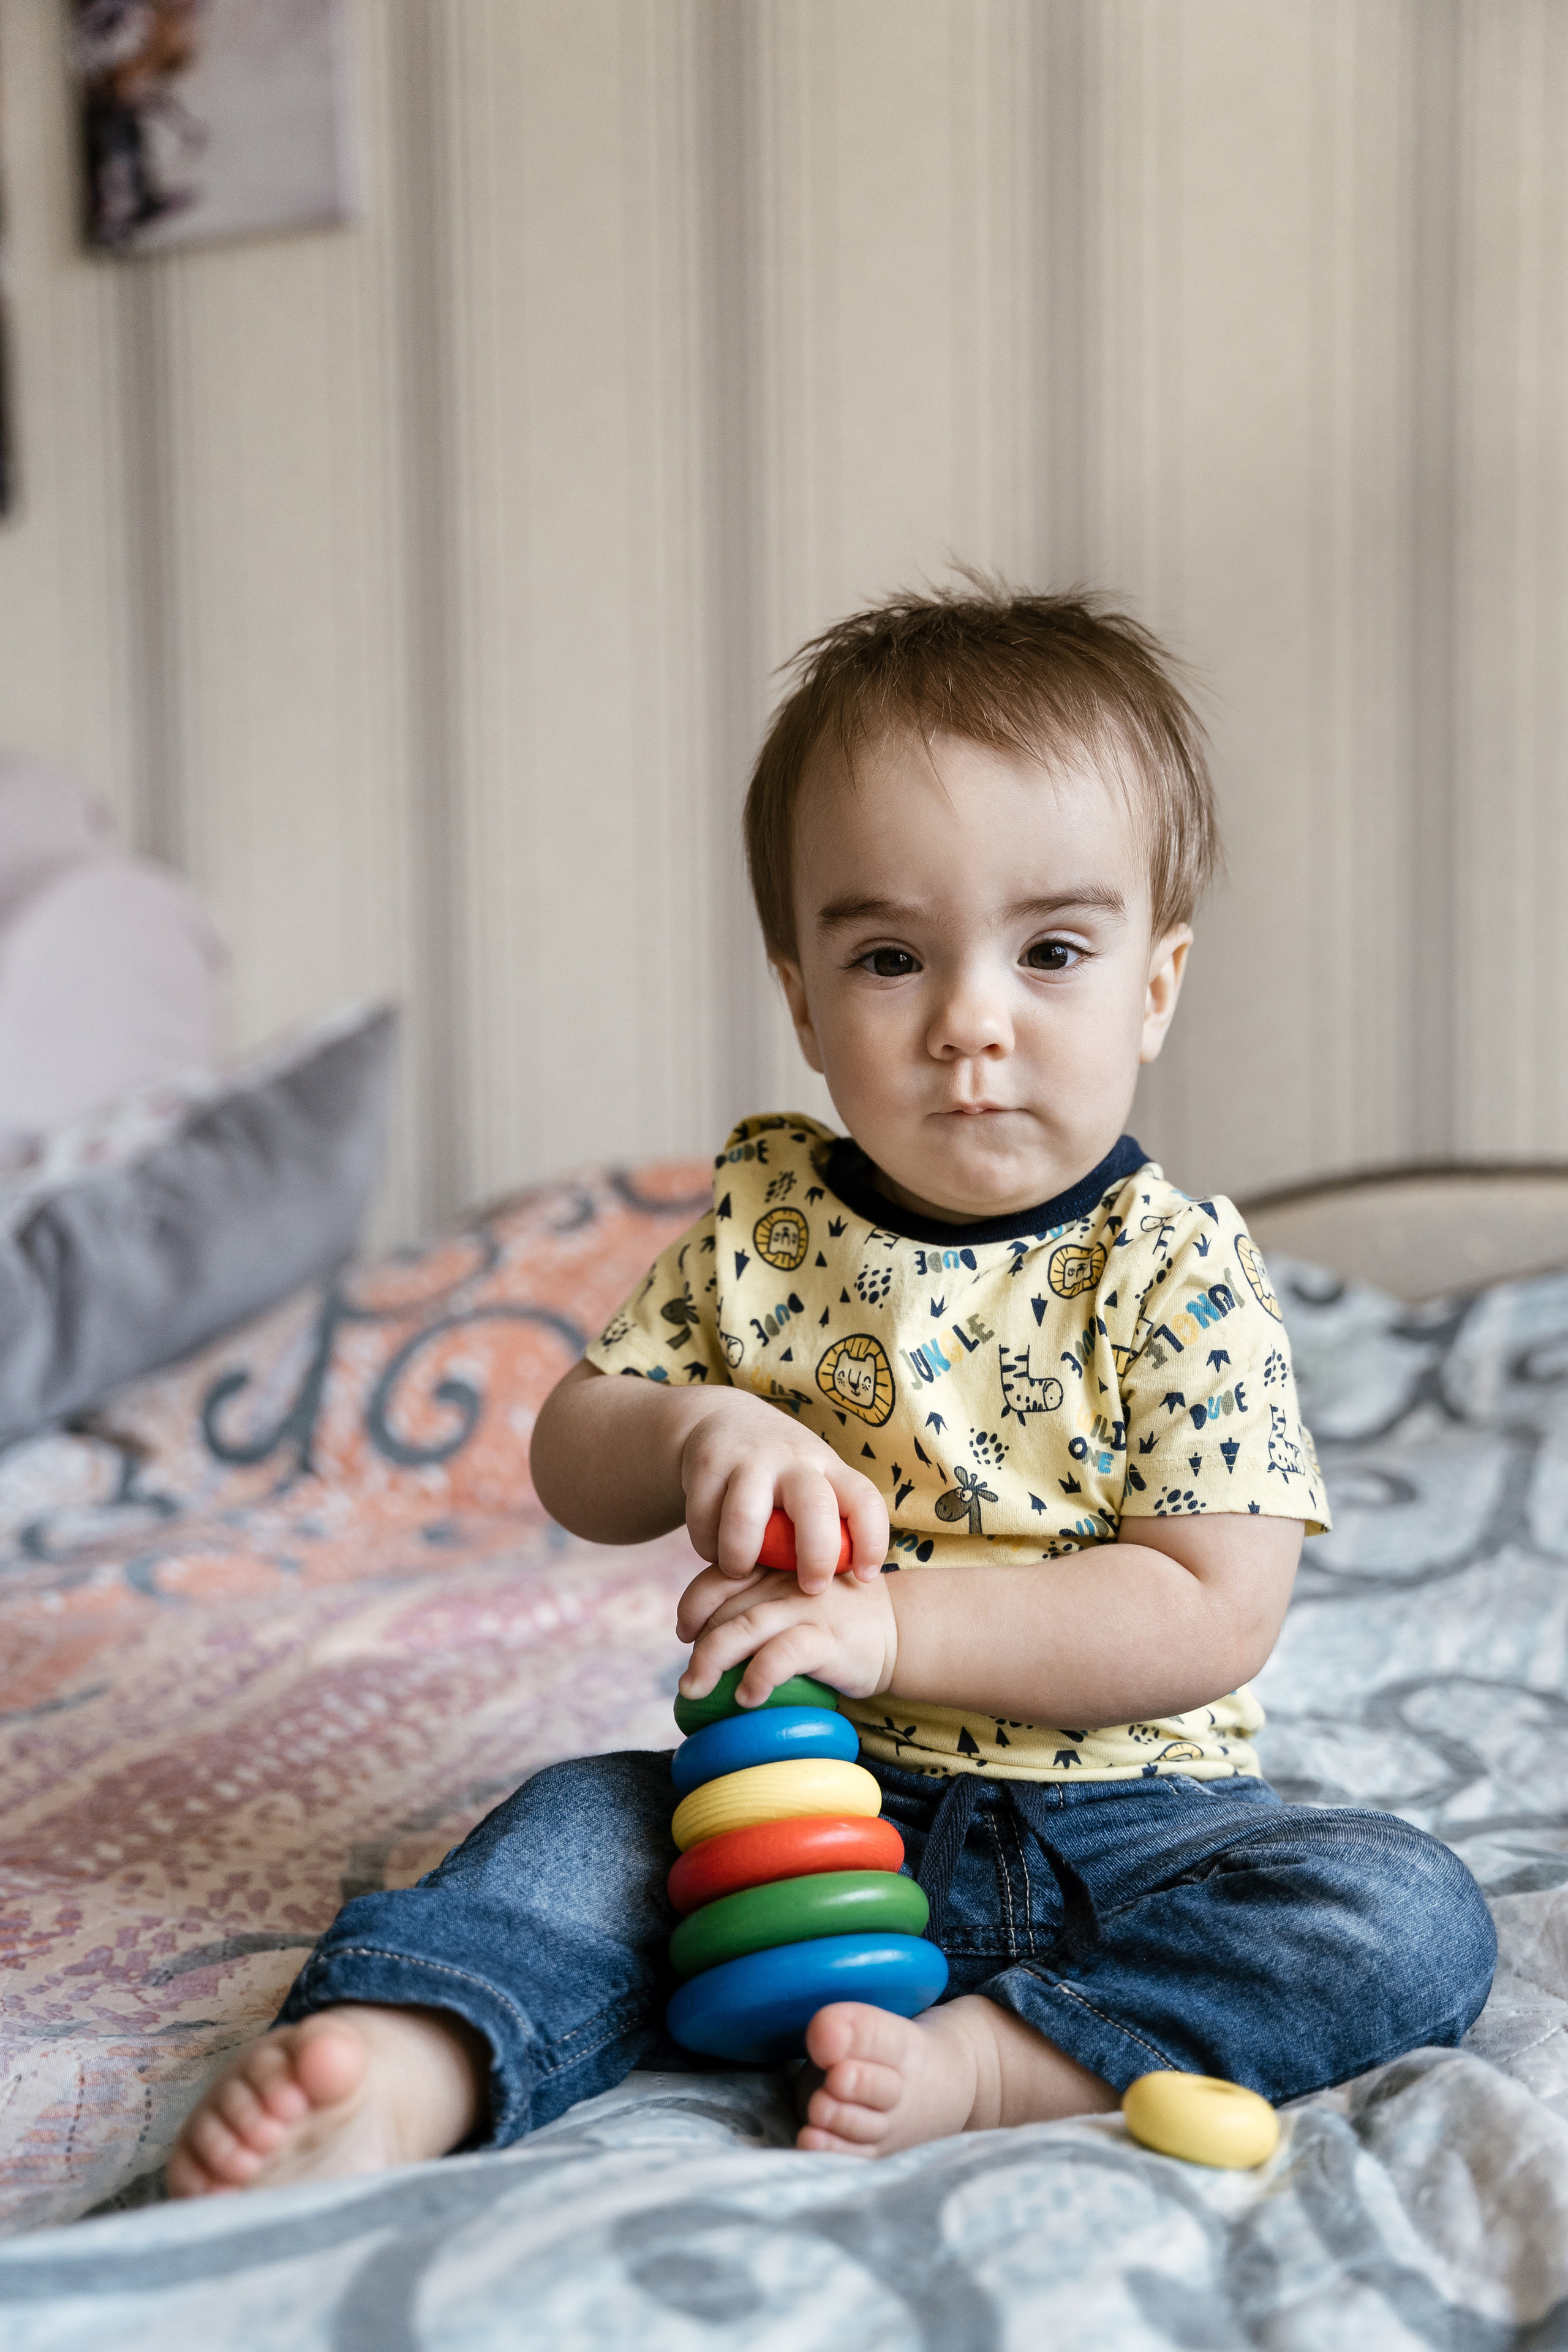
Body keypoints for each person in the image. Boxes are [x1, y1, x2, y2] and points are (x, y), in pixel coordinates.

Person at [168, 584, 1495, 2195]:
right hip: (793, 1796)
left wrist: (895, 1630)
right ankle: (407, 2062)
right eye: (889, 957)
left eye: (1054, 950)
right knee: (569, 1834)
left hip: (1125, 1827)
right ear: (800, 993)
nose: (968, 1024)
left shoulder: (1177, 1277)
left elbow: (1208, 1610)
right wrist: (694, 1426)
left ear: (1155, 983)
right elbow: (576, 1460)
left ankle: (1010, 2061)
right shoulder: (767, 1229)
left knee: (1400, 1912)